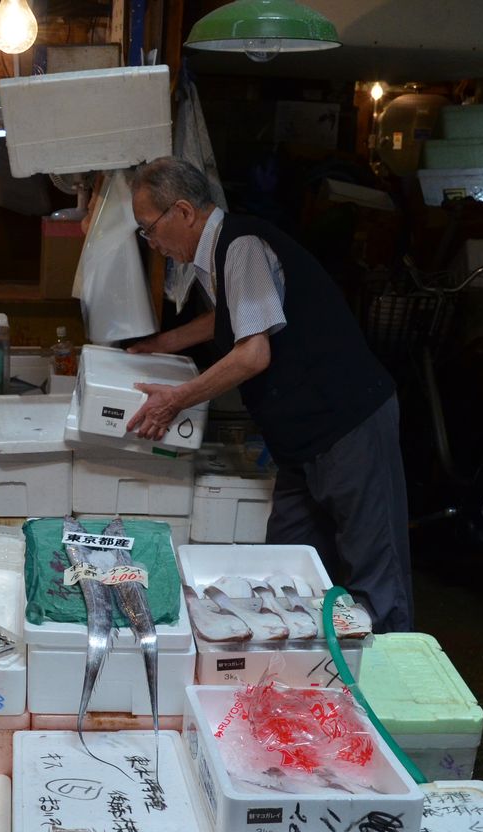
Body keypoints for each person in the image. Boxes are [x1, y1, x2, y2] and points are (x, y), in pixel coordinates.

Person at [124, 157, 413, 632]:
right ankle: (305, 664)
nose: (151, 243)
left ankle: (390, 670)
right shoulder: (219, 254)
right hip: (300, 439)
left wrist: (176, 399)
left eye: (149, 229)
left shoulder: (241, 246)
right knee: (287, 569)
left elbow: (253, 354)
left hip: (347, 420)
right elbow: (229, 315)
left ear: (183, 212)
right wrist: (160, 344)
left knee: (376, 575)